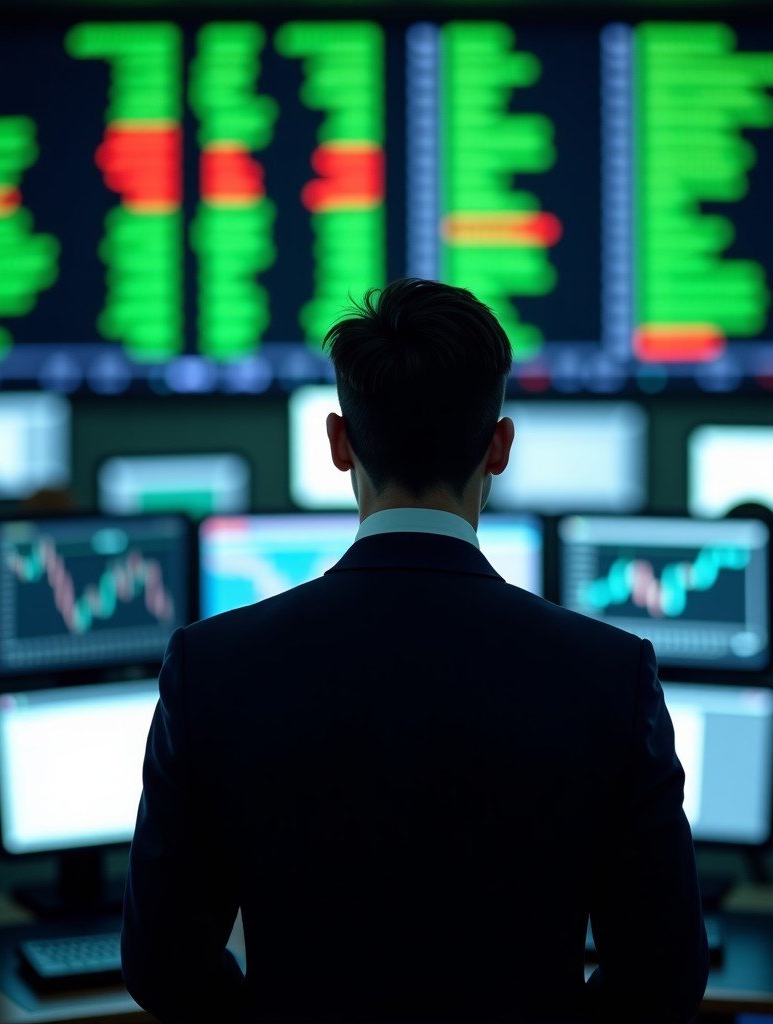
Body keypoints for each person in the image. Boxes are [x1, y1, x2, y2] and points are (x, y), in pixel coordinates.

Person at [122, 279, 709, 1023]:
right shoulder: (608, 675)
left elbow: (161, 965)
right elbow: (664, 980)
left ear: (340, 443)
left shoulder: (212, 668)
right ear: (499, 448)